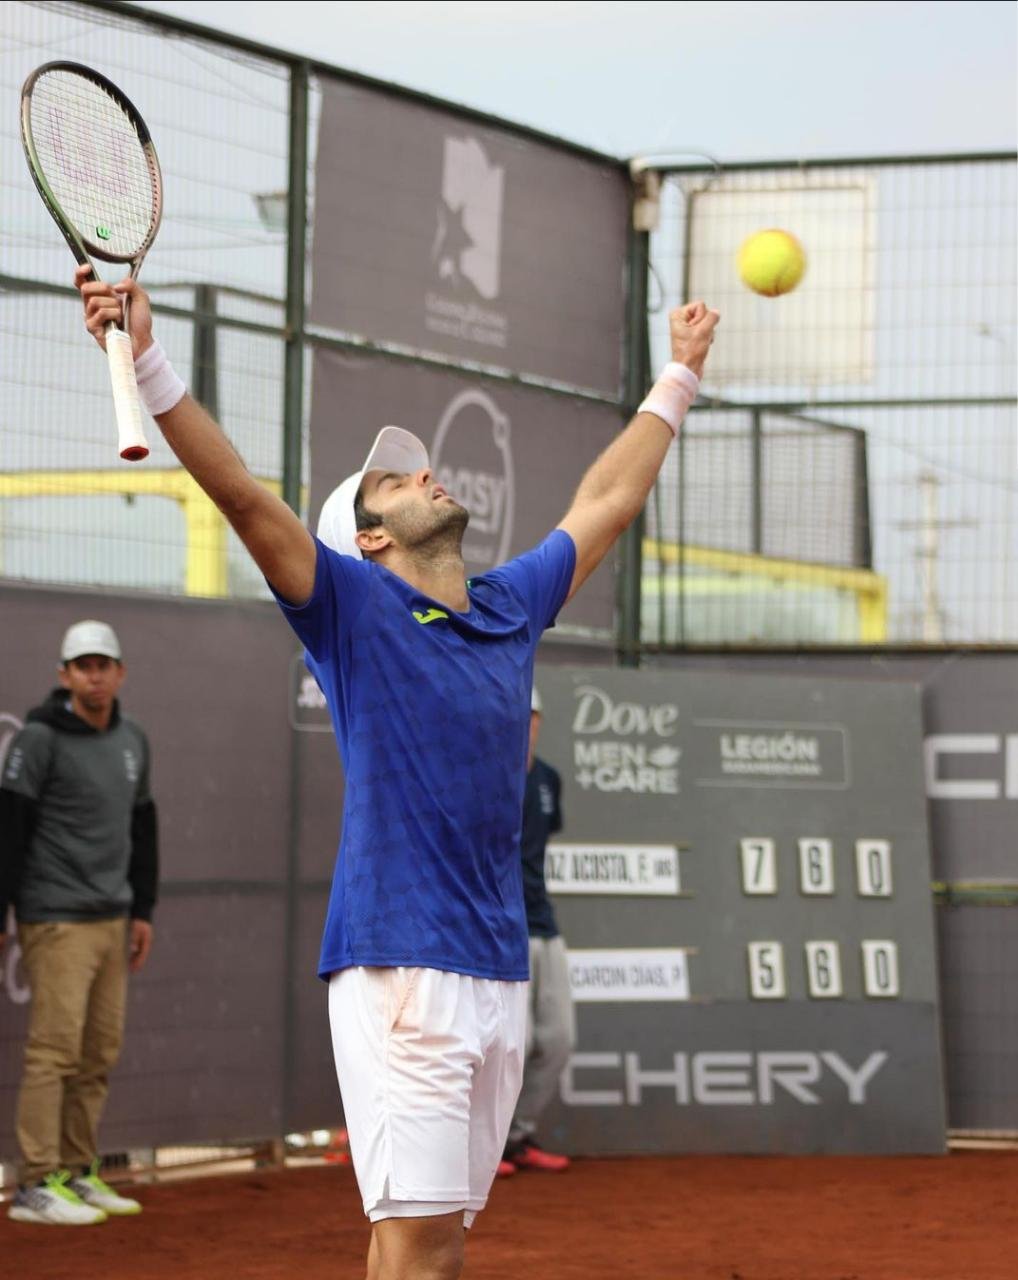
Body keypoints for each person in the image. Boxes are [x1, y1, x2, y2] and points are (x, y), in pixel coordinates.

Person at [75, 263, 717, 1280]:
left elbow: (607, 496)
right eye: (396, 480)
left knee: (436, 1239)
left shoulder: (510, 602)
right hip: (401, 968)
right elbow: (243, 497)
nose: (426, 475)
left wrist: (675, 376)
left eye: (417, 469)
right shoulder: (351, 607)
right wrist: (149, 357)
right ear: (369, 536)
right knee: (418, 1243)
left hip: (496, 966)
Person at [0, 619, 158, 1226]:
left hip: (113, 919)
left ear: (119, 673)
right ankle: (35, 1183)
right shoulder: (38, 739)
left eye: (104, 665)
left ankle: (77, 1172)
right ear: (64, 675)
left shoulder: (133, 739)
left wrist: (141, 910)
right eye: (82, 666)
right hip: (56, 918)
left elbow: (143, 828)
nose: (94, 675)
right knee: (54, 1051)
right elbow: (10, 827)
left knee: (97, 1053)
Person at [499, 684, 574, 1176]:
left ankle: (518, 1137)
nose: (526, 724)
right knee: (514, 1045)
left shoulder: (548, 780)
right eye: (517, 713)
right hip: (503, 929)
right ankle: (489, 1145)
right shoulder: (484, 773)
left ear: (540, 721)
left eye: (533, 716)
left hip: (544, 925)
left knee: (560, 1039)